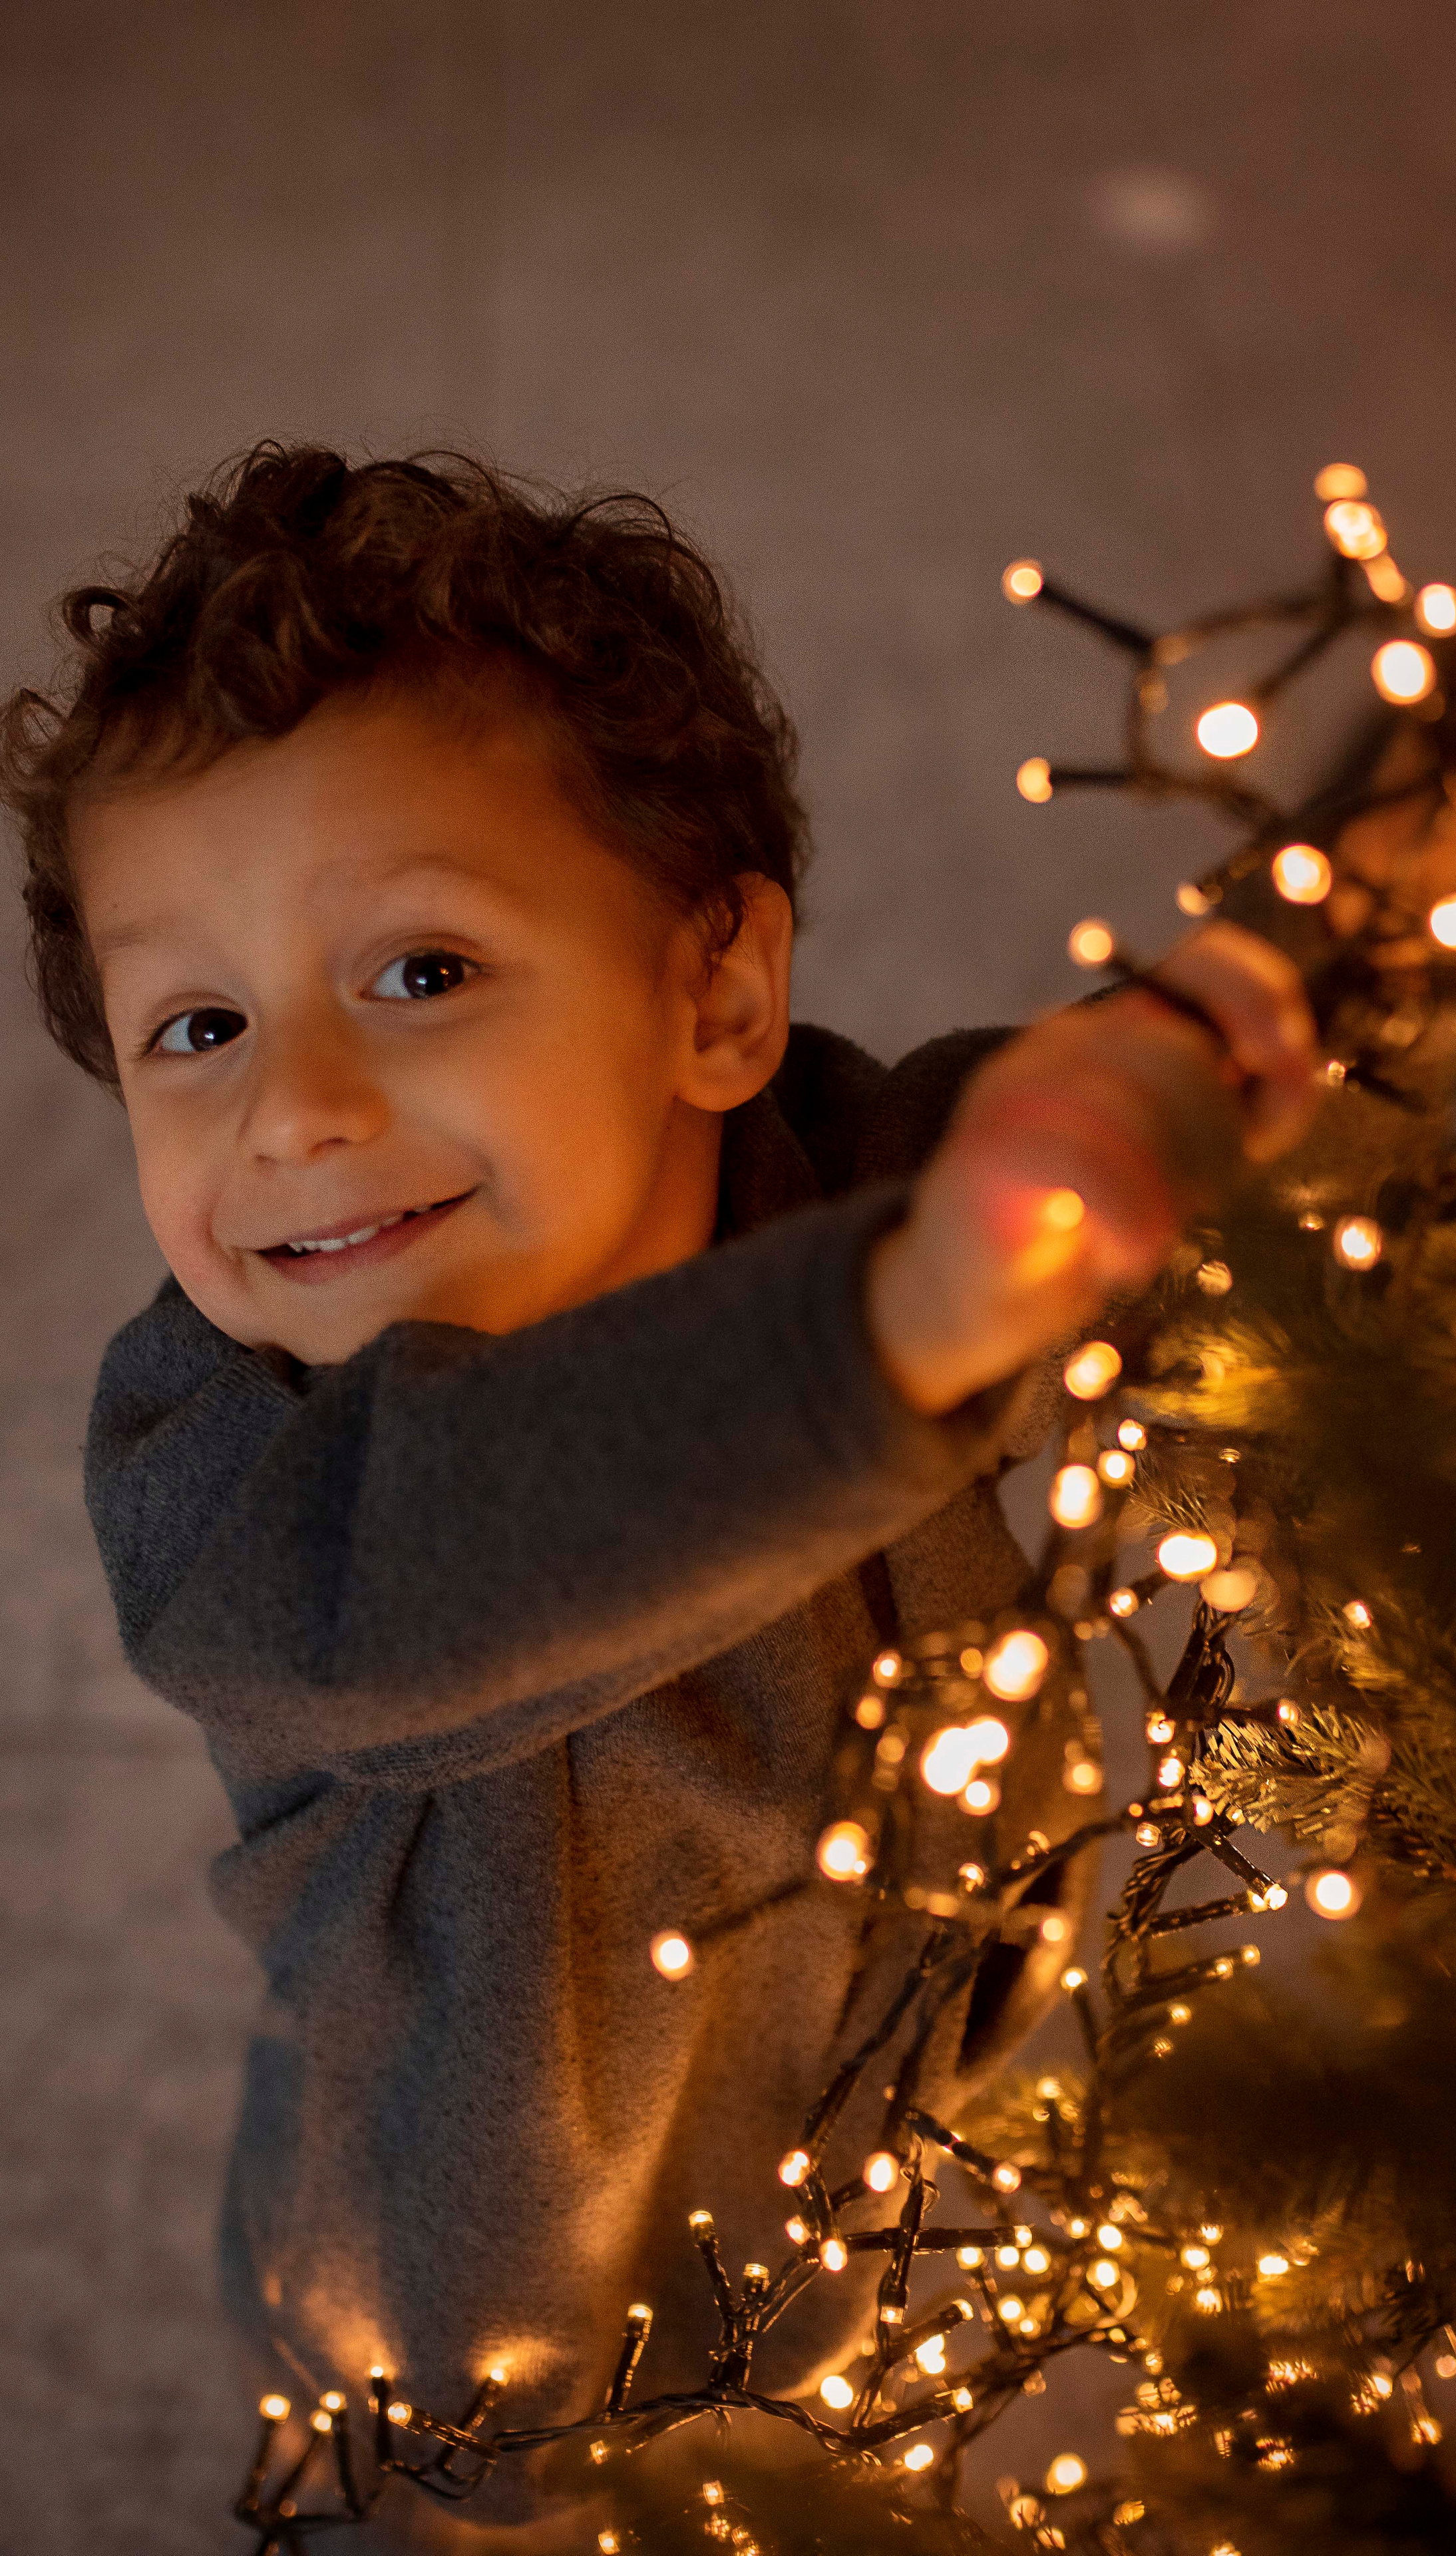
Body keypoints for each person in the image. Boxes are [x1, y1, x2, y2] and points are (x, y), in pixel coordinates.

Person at [0, 445, 1318, 2537]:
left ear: (718, 998)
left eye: (420, 972)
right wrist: (907, 1316)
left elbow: (1077, 1118)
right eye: (199, 1024)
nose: (295, 1109)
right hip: (476, 2357)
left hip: (874, 2149)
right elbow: (455, 1552)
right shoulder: (229, 1483)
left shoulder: (831, 1180)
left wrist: (1373, 905)